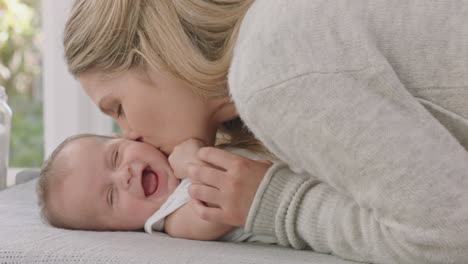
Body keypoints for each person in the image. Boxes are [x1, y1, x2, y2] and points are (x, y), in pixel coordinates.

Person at [63, 1, 468, 263]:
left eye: (118, 107)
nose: (129, 135)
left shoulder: (269, 75)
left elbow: (448, 237)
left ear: (152, 51)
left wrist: (276, 205)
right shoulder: (277, 29)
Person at [37, 133, 276, 243]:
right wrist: (194, 161)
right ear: (118, 229)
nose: (125, 175)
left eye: (116, 156)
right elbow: (221, 202)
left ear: (126, 138)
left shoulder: (174, 152)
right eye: (111, 195)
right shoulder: (173, 219)